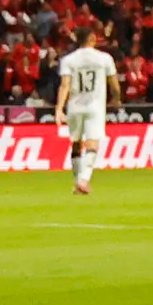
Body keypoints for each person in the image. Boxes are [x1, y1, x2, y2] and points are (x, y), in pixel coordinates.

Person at [56, 24, 115, 191]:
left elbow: (65, 85)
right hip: (95, 106)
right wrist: (117, 98)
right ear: (92, 39)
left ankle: (77, 181)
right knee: (92, 143)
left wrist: (59, 108)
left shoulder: (68, 60)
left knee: (76, 143)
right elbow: (114, 83)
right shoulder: (104, 58)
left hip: (74, 107)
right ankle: (83, 180)